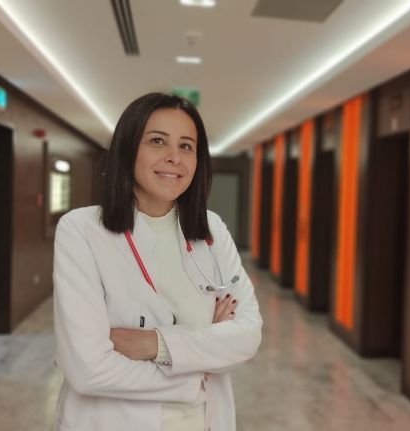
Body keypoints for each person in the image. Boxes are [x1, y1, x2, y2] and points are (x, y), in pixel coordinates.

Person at [52, 92, 263, 431]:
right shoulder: (81, 230)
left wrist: (154, 344)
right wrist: (198, 367)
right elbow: (87, 368)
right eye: (157, 141)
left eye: (186, 146)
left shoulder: (212, 230)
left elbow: (248, 335)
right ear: (128, 149)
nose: (174, 157)